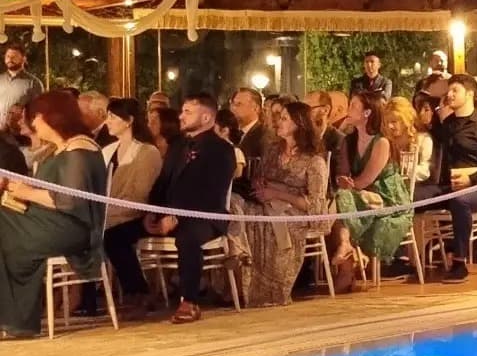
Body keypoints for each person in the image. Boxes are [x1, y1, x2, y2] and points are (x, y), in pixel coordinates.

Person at [0, 91, 107, 339]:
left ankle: (15, 320)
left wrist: (27, 192)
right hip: (49, 221)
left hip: (71, 228)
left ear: (51, 117)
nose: (33, 126)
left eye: (34, 119)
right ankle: (13, 318)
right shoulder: (61, 148)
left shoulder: (79, 150)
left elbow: (69, 200)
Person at [145, 93, 236, 324]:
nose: (180, 116)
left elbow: (211, 191)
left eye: (188, 112)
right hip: (170, 215)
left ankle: (190, 300)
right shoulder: (178, 146)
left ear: (206, 117)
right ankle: (136, 292)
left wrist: (177, 215)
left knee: (187, 239)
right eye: (182, 111)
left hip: (205, 216)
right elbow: (163, 182)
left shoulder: (221, 149)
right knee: (118, 233)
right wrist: (151, 213)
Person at [240, 100, 328, 306]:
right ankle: (246, 288)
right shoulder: (273, 152)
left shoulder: (314, 161)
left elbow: (314, 205)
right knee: (247, 215)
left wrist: (278, 194)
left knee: (268, 223)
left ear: (299, 124)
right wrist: (261, 185)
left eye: (285, 118)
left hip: (295, 210)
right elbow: (261, 177)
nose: (279, 122)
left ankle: (273, 290)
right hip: (267, 203)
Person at [426, 73, 477, 281]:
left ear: (470, 94)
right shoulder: (448, 124)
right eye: (449, 90)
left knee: (459, 199)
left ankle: (460, 261)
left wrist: (471, 180)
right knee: (413, 196)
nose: (450, 95)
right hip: (448, 185)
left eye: (455, 90)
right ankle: (405, 259)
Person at [333, 92, 412, 273]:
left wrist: (349, 186)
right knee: (338, 197)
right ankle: (346, 248)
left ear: (367, 113)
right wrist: (342, 180)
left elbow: (367, 178)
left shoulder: (381, 142)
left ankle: (349, 256)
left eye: (353, 106)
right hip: (360, 193)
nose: (348, 110)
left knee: (342, 198)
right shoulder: (348, 140)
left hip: (387, 197)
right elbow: (343, 172)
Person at [101, 98, 163, 311]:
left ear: (129, 121)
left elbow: (141, 195)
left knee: (113, 236)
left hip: (140, 215)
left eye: (112, 116)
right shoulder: (108, 151)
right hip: (110, 212)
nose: (107, 121)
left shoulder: (147, 152)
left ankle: (138, 290)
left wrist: (109, 211)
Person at [0, 42, 39, 125]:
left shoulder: (33, 82)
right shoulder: (0, 79)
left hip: (18, 134)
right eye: (8, 56)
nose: (10, 59)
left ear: (24, 59)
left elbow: (38, 111)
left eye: (14, 57)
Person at [229, 88, 268, 170]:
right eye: (232, 104)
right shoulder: (230, 132)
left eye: (239, 104)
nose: (233, 108)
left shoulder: (264, 135)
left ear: (256, 108)